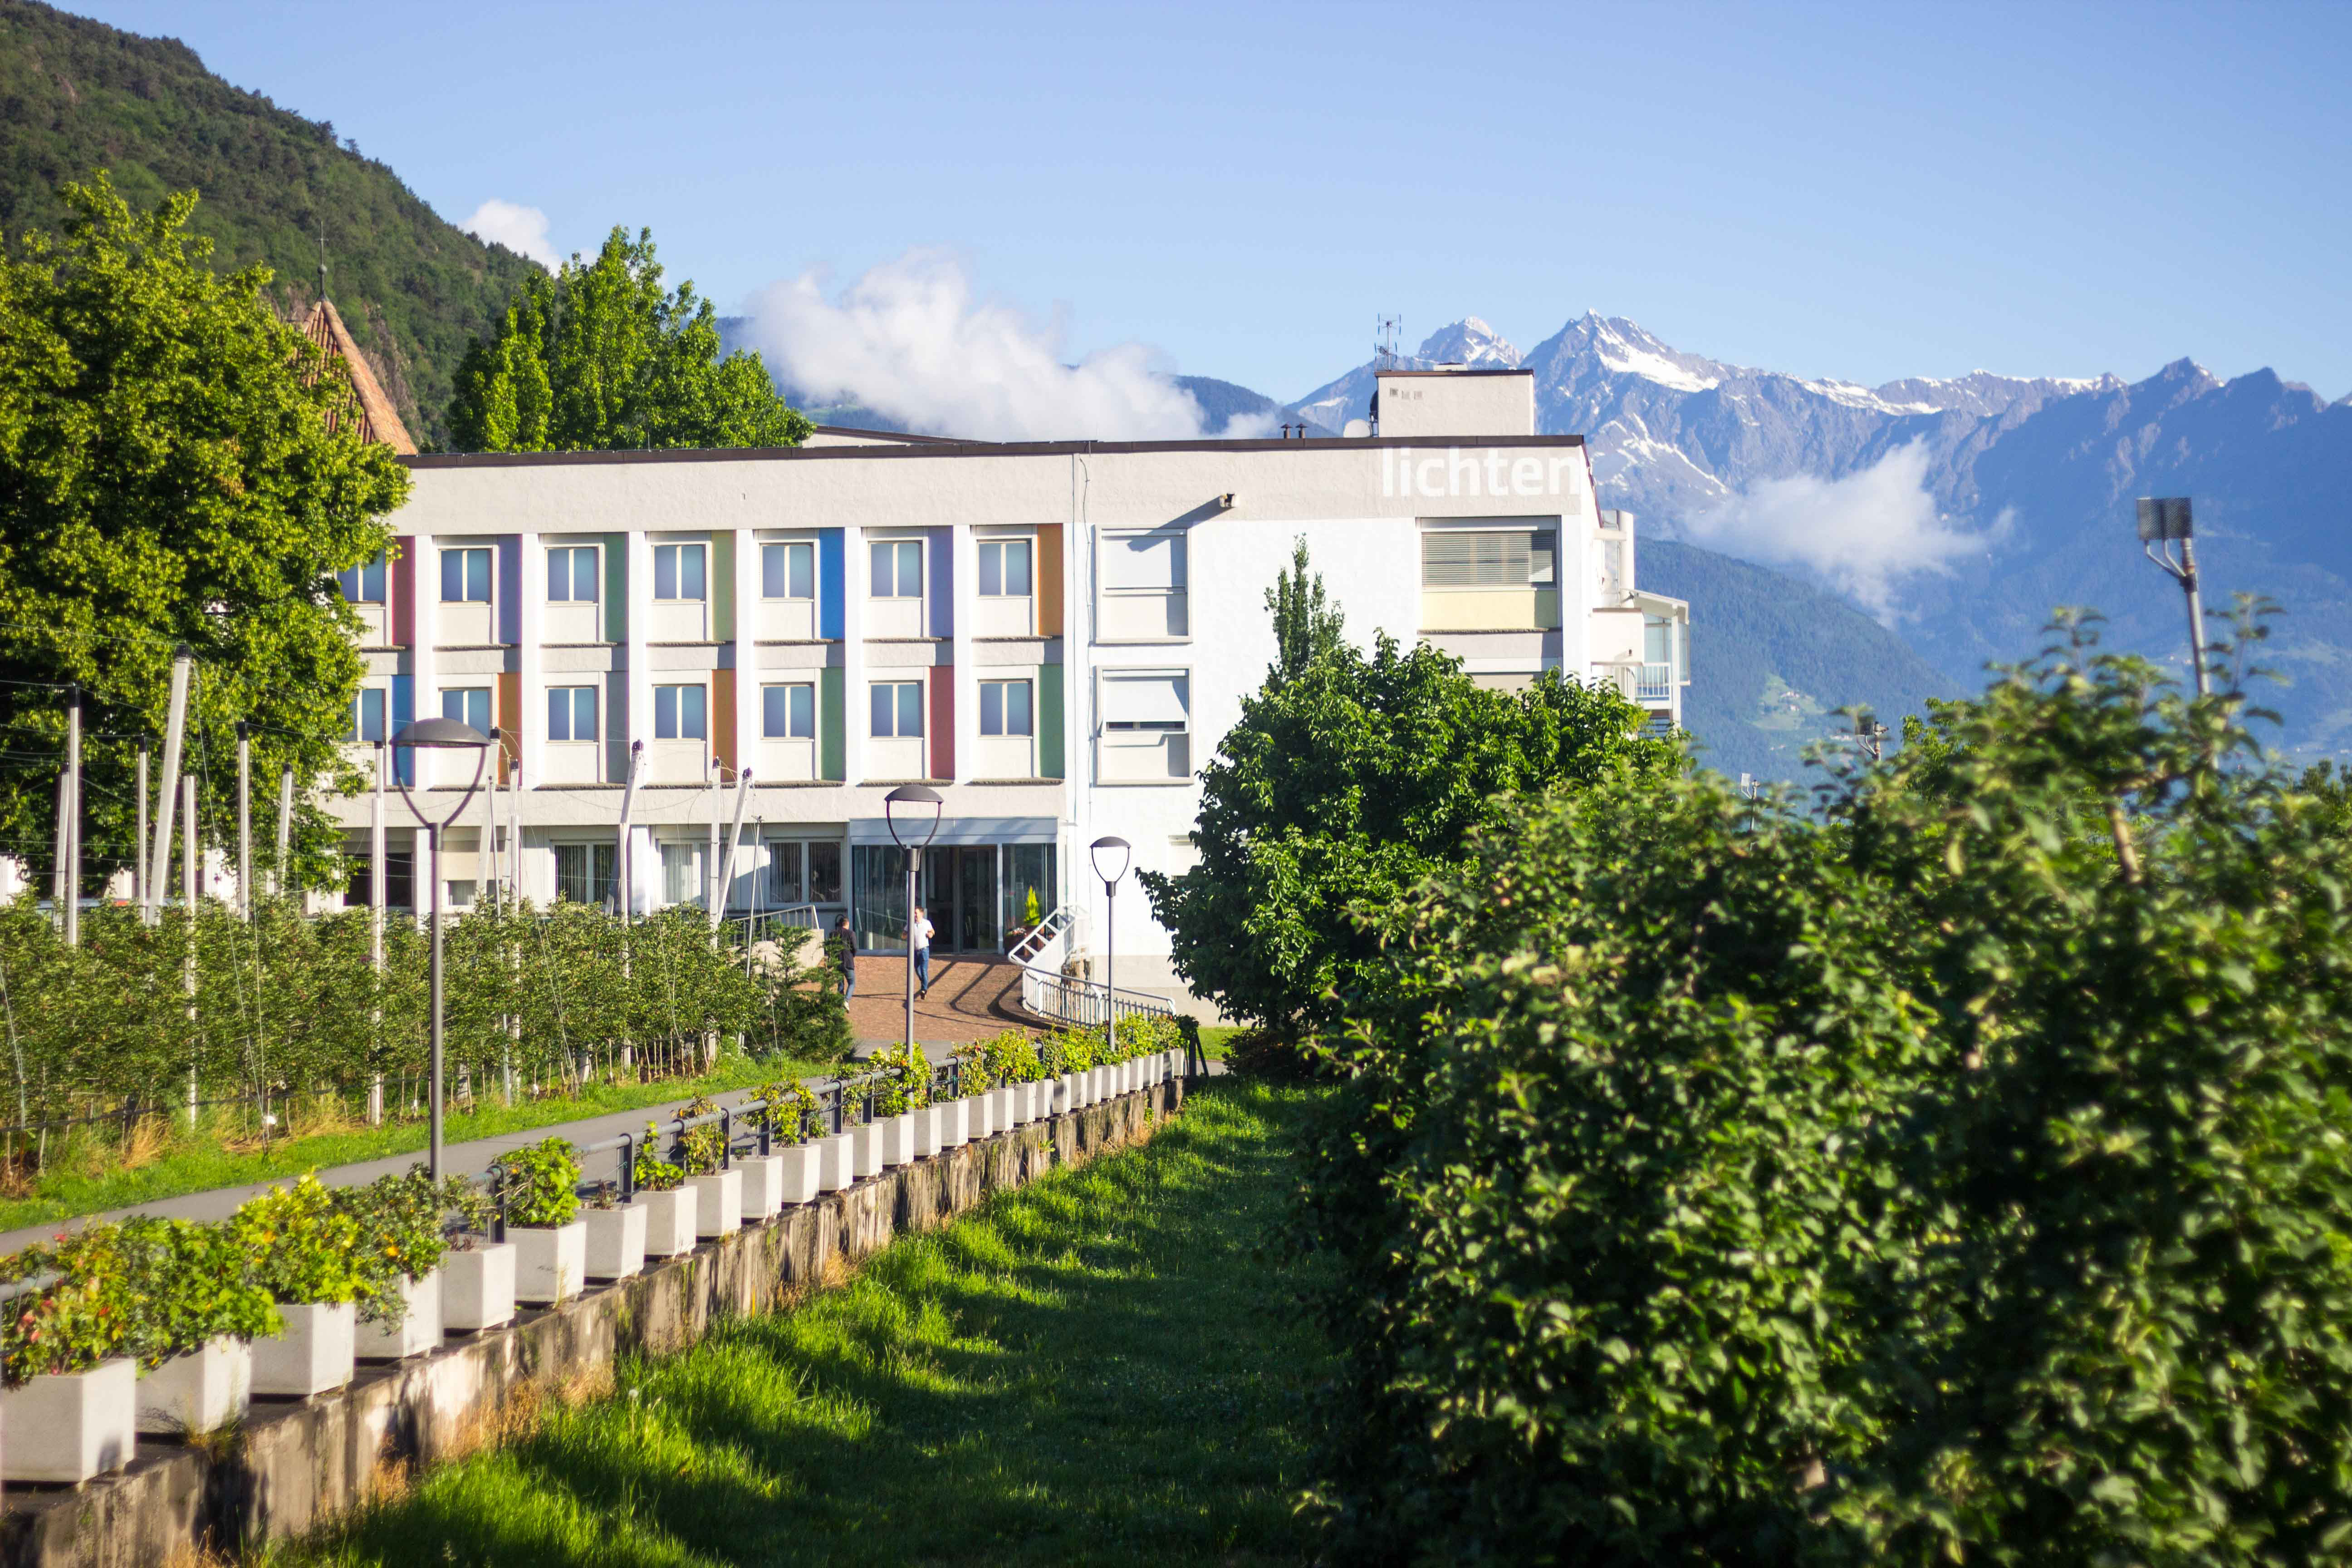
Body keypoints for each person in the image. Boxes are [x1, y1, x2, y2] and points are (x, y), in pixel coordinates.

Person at [911, 904, 935, 1000]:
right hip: (915, 951)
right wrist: (904, 935)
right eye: (914, 913)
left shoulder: (926, 923)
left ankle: (924, 990)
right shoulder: (911, 924)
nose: (914, 915)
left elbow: (932, 931)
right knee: (918, 970)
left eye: (916, 913)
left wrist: (930, 934)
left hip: (924, 950)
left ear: (921, 914)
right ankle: (925, 984)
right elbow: (905, 933)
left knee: (924, 970)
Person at [833, 915, 856, 1000]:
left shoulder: (833, 934)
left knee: (840, 985)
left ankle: (840, 1003)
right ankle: (846, 1000)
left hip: (837, 962)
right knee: (852, 983)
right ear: (847, 924)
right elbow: (855, 948)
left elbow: (830, 948)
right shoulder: (851, 933)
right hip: (848, 962)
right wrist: (853, 955)